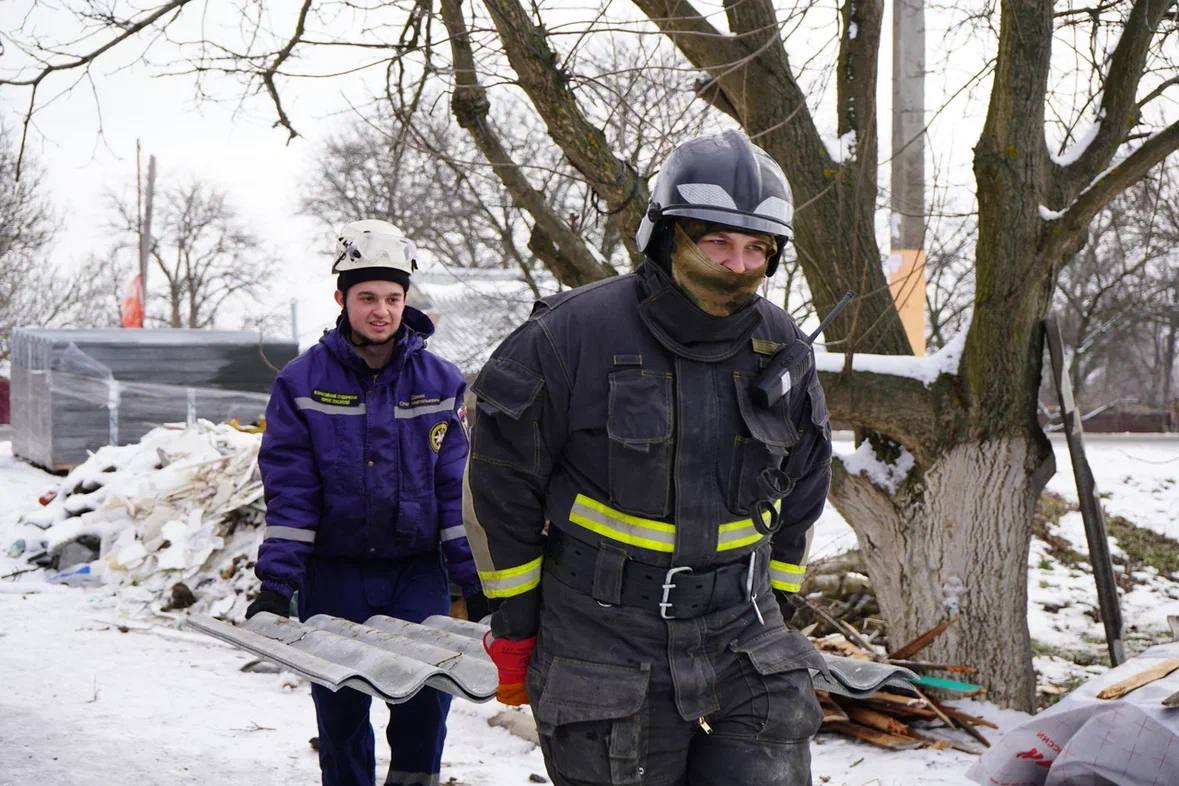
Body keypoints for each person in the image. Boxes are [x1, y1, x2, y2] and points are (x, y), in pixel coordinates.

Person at [465, 131, 833, 786]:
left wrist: (777, 600)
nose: (737, 264)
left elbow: (803, 485)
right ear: (666, 235)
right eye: (716, 241)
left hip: (745, 638)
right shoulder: (568, 335)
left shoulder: (782, 348)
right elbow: (500, 488)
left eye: (756, 249)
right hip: (601, 643)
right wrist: (515, 625)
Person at [247, 219, 487, 786]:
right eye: (367, 298)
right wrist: (277, 585)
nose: (381, 310)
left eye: (392, 298)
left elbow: (455, 493)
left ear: (406, 299)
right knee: (341, 717)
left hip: (415, 575)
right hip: (334, 577)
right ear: (342, 299)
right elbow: (292, 493)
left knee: (424, 709)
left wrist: (476, 585)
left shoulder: (440, 382)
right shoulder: (301, 382)